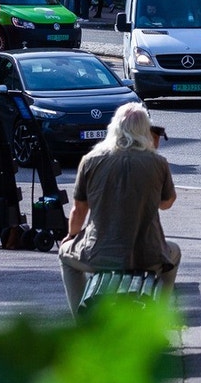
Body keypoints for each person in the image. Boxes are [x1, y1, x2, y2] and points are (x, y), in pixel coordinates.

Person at [57, 103, 178, 317]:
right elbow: (167, 202)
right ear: (145, 130)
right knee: (174, 253)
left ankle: (80, 320)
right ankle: (159, 315)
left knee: (65, 256)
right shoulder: (158, 162)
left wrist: (72, 237)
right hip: (148, 254)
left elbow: (78, 210)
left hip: (99, 254)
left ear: (114, 127)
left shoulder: (90, 161)